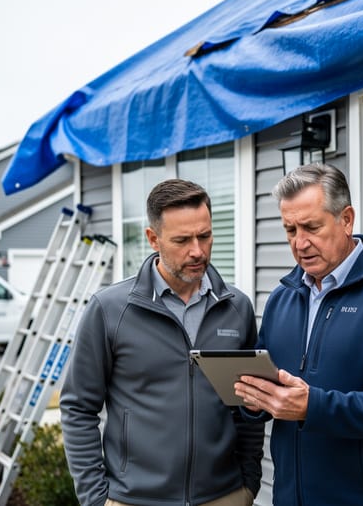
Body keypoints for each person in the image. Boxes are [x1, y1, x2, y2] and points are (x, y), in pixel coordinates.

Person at [234, 164, 363, 506]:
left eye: (312, 227)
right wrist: (255, 401)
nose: (300, 243)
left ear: (346, 219)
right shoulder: (282, 298)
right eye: (290, 230)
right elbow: (268, 382)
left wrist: (313, 405)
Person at [61, 179, 264, 506]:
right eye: (182, 240)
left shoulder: (236, 308)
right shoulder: (110, 310)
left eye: (205, 236)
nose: (197, 251)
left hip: (224, 496)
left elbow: (247, 404)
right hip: (135, 499)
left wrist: (248, 483)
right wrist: (96, 499)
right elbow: (77, 407)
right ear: (153, 239)